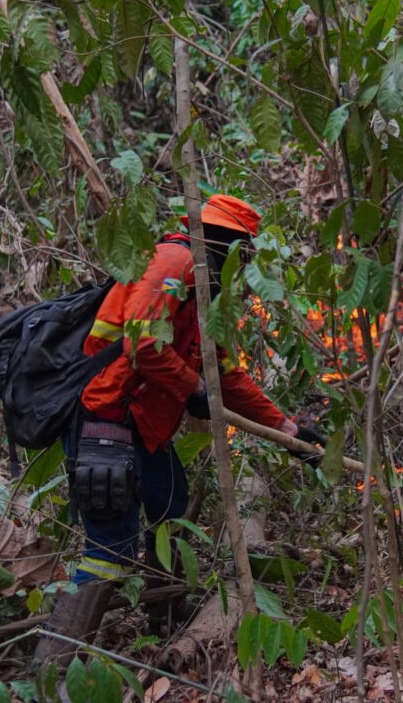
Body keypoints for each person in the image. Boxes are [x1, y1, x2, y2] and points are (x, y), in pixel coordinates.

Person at [31, 193, 327, 670]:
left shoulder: (208, 297)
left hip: (145, 427)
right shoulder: (175, 260)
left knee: (171, 507)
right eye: (245, 251)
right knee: (111, 545)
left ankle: (165, 620)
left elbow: (227, 376)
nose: (247, 264)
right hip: (106, 414)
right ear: (229, 244)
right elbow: (143, 341)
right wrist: (192, 387)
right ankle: (52, 666)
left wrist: (290, 432)